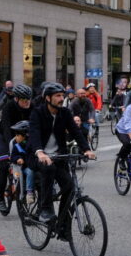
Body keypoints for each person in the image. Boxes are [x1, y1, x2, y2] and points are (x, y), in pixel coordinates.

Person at [28, 82, 95, 233]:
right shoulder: (37, 113)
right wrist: (40, 152)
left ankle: (63, 225)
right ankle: (45, 208)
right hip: (38, 157)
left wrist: (86, 149)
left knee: (70, 186)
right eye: (57, 96)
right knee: (48, 168)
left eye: (62, 95)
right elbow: (34, 133)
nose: (61, 98)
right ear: (47, 98)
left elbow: (76, 131)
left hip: (58, 156)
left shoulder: (64, 113)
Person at [0, 84, 34, 212]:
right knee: (5, 164)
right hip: (3, 136)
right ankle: (0, 197)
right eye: (24, 100)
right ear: (16, 99)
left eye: (28, 99)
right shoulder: (9, 107)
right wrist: (13, 147)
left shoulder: (32, 107)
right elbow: (6, 129)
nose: (27, 102)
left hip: (22, 137)